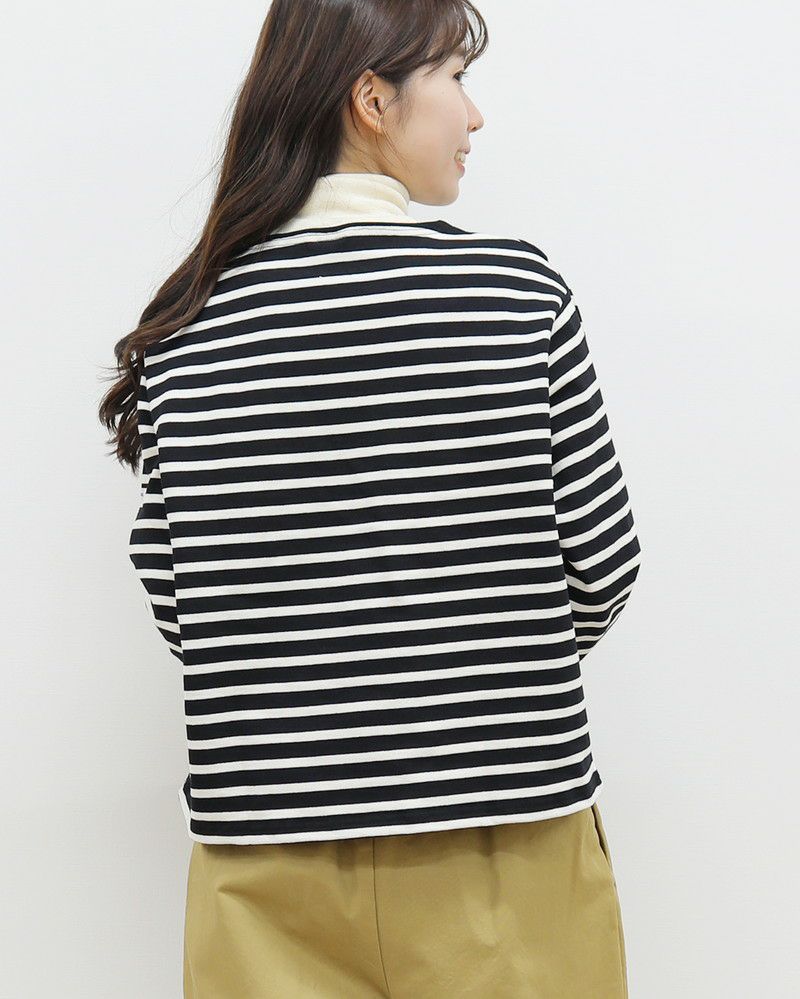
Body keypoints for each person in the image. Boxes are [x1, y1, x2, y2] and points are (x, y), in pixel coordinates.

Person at [99, 2, 642, 996]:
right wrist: (480, 670)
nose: (474, 115)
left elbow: (187, 605)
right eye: (456, 79)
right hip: (505, 841)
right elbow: (600, 568)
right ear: (372, 99)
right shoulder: (514, 296)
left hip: (266, 865)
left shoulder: (186, 333)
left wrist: (319, 673)